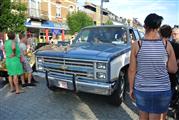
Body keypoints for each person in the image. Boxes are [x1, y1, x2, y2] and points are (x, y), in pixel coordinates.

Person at [128, 13, 178, 120]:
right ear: (158, 27)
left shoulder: (137, 45)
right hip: (162, 90)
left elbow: (132, 70)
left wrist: (131, 88)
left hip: (142, 89)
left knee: (143, 116)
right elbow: (173, 69)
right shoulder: (166, 44)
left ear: (145, 26)